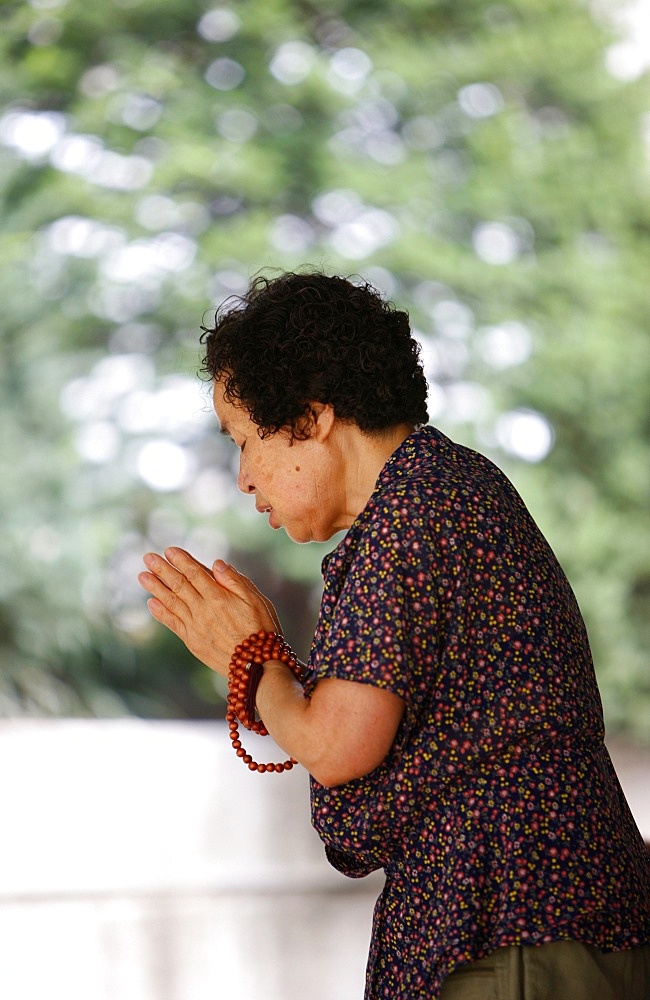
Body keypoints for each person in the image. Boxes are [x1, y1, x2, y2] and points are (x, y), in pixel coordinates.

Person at [138, 271, 650, 999]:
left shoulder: (412, 513)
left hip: (513, 926)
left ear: (311, 418)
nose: (246, 477)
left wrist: (248, 658)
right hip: (547, 920)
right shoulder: (444, 491)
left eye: (244, 440)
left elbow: (339, 746)